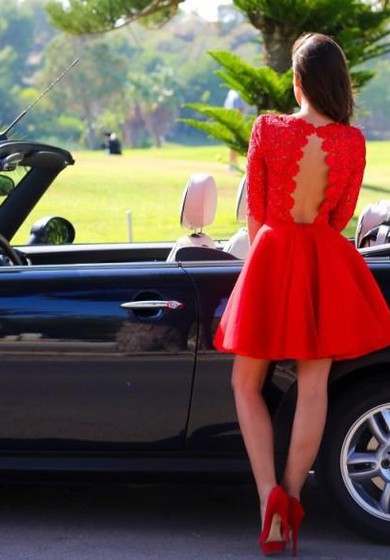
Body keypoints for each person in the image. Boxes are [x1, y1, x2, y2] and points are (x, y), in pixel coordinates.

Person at [214, 33, 390, 556]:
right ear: (337, 82)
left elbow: (260, 213)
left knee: (246, 383)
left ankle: (268, 496)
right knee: (315, 388)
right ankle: (292, 498)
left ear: (297, 81)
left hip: (273, 258)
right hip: (324, 262)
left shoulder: (267, 129)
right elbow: (341, 218)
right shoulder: (352, 142)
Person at [223, 89, 245, 170]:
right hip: (235, 122)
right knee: (234, 145)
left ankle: (233, 164)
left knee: (233, 145)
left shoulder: (230, 94)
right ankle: (233, 164)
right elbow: (239, 109)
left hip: (230, 121)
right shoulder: (236, 95)